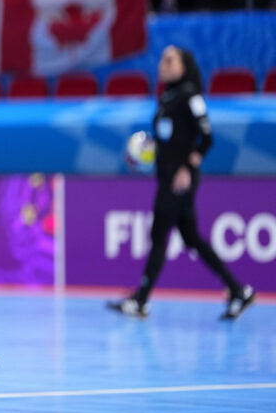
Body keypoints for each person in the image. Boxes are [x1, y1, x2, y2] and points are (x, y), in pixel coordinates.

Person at [108, 46, 255, 320]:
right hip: (167, 176)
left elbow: (206, 138)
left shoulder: (191, 96)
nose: (162, 64)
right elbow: (170, 141)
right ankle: (238, 291)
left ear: (184, 66)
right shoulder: (167, 97)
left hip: (179, 181)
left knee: (159, 235)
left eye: (169, 60)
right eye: (161, 59)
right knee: (191, 238)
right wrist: (144, 154)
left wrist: (187, 166)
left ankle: (141, 300)